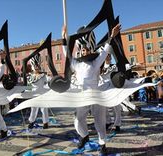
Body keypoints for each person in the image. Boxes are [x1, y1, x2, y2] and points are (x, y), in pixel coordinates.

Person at [62, 23, 121, 155]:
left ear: (91, 50)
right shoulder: (76, 64)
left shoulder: (96, 62)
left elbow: (105, 50)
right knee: (78, 119)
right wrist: (64, 39)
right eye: (82, 50)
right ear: (80, 50)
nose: (84, 52)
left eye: (87, 50)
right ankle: (84, 136)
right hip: (82, 96)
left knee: (100, 122)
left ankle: (102, 144)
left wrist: (112, 36)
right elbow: (67, 55)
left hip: (96, 95)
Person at [27, 53, 50, 129]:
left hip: (42, 95)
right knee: (33, 109)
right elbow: (27, 85)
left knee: (44, 109)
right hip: (33, 95)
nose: (36, 68)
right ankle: (31, 122)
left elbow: (49, 80)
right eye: (35, 66)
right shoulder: (30, 76)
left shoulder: (43, 76)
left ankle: (45, 122)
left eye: (37, 66)